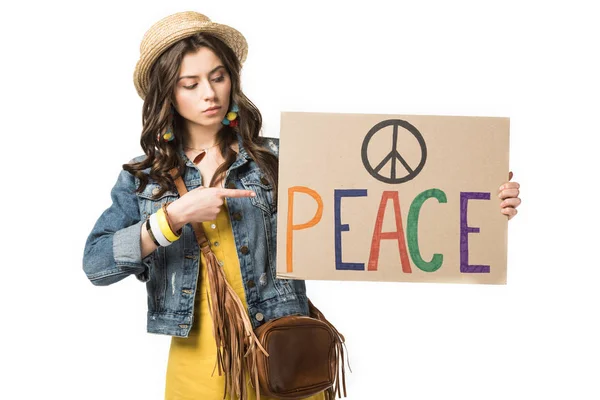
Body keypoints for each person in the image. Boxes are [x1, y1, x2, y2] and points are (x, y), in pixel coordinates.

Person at [82, 11, 522, 400]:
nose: (209, 93)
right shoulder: (145, 179)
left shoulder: (280, 158)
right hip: (199, 371)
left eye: (217, 76)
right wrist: (172, 217)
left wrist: (484, 201)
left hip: (284, 357)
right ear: (167, 93)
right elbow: (97, 264)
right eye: (190, 83)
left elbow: (383, 197)